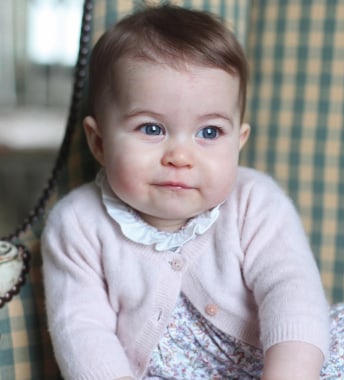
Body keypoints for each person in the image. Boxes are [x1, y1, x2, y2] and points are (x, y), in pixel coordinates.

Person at [41, 5, 329, 379]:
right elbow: (81, 333)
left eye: (209, 133)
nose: (179, 156)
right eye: (151, 128)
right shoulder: (77, 224)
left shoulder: (255, 202)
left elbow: (292, 292)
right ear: (98, 142)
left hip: (279, 364)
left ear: (238, 142)